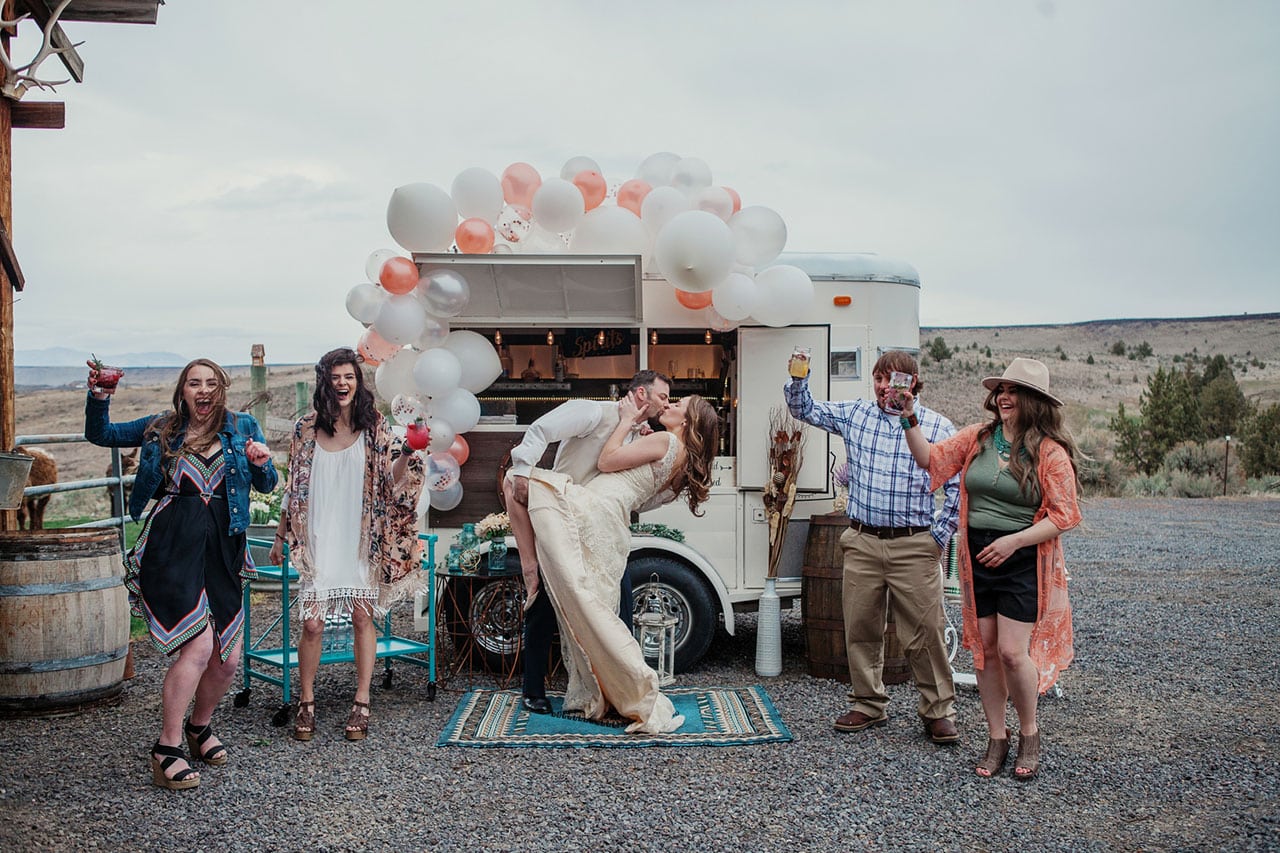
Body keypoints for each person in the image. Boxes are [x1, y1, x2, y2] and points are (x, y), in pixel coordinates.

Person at [84, 358, 277, 790]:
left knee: (227, 661)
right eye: (194, 383)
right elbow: (101, 434)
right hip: (172, 547)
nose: (203, 390)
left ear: (221, 388)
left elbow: (267, 483)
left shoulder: (244, 427)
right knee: (197, 646)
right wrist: (99, 395)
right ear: (183, 390)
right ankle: (166, 748)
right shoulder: (161, 428)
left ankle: (198, 728)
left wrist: (262, 463)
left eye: (211, 383)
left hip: (224, 549)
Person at [900, 357, 1081, 780]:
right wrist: (909, 415)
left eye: (1014, 392)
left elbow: (1065, 514)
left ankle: (1030, 734)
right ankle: (996, 737)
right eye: (1001, 390)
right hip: (978, 555)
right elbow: (931, 458)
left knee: (1012, 653)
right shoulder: (979, 438)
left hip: (1022, 559)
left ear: (1034, 401)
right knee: (984, 650)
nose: (1004, 397)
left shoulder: (1050, 454)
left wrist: (1014, 540)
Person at [511, 392, 719, 733]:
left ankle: (530, 569)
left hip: (595, 510)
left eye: (677, 405)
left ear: (687, 421)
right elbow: (644, 494)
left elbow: (607, 462)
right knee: (597, 611)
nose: (668, 406)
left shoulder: (666, 441)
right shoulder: (678, 458)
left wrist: (624, 423)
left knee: (516, 481)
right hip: (611, 518)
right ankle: (613, 690)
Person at [785, 350, 962, 744]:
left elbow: (956, 486)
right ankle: (868, 703)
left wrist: (939, 535)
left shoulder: (935, 425)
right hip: (863, 539)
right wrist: (799, 376)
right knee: (861, 625)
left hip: (913, 542)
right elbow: (804, 409)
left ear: (912, 383)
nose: (885, 387)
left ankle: (938, 712)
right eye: (880, 378)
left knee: (924, 632)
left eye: (895, 380)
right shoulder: (856, 415)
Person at [269, 348, 426, 743]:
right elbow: (293, 486)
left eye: (349, 377)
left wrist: (407, 452)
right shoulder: (305, 428)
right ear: (325, 382)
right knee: (312, 623)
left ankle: (362, 700)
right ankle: (306, 702)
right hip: (319, 537)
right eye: (335, 377)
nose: (343, 383)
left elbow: (391, 482)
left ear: (358, 383)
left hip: (360, 539)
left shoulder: (374, 427)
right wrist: (280, 533)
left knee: (361, 617)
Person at [504, 370, 671, 714]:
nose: (666, 403)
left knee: (619, 611)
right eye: (663, 397)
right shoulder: (593, 412)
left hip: (604, 534)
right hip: (563, 521)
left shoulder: (639, 435)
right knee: (546, 605)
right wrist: (522, 471)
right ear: (641, 393)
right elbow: (541, 429)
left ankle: (619, 692)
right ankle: (532, 689)